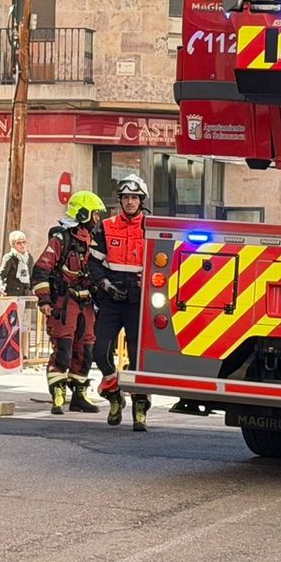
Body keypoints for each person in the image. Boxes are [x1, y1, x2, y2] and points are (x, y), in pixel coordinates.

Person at [34, 191, 105, 415]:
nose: (97, 219)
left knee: (86, 351)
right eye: (95, 214)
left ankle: (79, 396)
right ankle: (58, 394)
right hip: (64, 303)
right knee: (63, 349)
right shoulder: (61, 239)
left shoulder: (94, 241)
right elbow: (41, 270)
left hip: (87, 304)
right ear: (83, 214)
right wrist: (45, 300)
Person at [91, 175, 151, 431]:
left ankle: (140, 408)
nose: (129, 202)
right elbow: (93, 263)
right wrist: (104, 284)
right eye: (125, 197)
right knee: (100, 352)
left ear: (141, 201)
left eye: (134, 198)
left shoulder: (151, 226)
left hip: (138, 301)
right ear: (120, 200)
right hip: (111, 300)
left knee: (139, 358)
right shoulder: (106, 226)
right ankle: (114, 394)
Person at [0, 231, 34, 298]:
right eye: (18, 243)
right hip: (12, 294)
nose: (22, 245)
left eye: (24, 242)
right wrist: (1, 287)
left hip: (26, 295)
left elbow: (31, 276)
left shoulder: (29, 258)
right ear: (13, 245)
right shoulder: (9, 258)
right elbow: (0, 276)